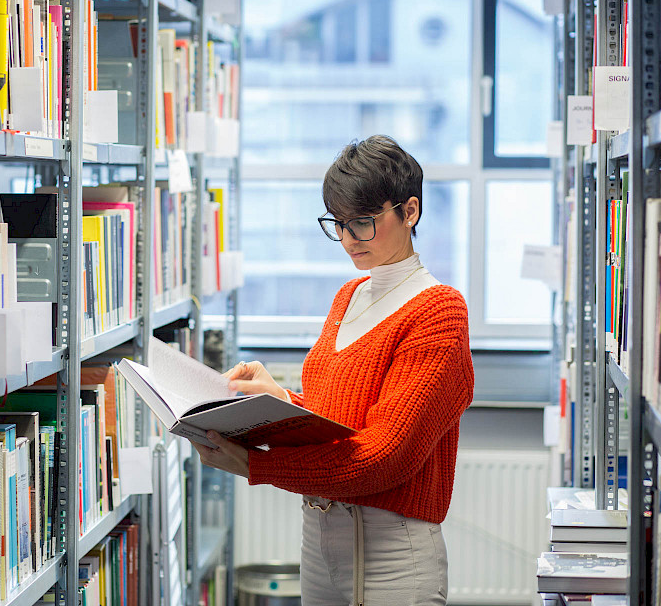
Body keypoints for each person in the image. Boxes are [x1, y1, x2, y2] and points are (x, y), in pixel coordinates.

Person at [192, 135, 474, 606]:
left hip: (392, 557)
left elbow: (382, 457)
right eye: (337, 224)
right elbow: (336, 421)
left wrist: (253, 464)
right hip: (319, 541)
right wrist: (281, 400)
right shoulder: (348, 297)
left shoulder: (439, 313)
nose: (347, 240)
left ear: (410, 211)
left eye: (363, 223)